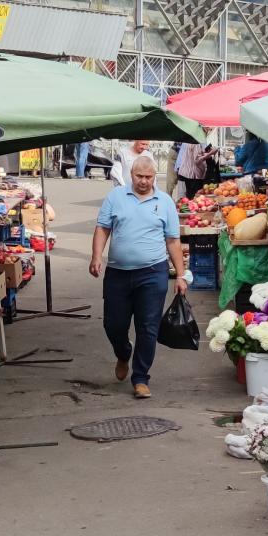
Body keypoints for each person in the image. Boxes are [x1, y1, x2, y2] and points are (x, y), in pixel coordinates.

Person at [90, 156, 187, 400]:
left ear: (155, 177)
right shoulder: (116, 197)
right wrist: (96, 256)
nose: (143, 181)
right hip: (117, 274)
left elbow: (173, 241)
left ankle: (141, 377)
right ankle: (123, 353)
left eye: (148, 177)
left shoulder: (164, 202)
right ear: (130, 174)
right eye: (138, 176)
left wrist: (181, 276)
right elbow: (103, 228)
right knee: (113, 325)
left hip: (153, 273)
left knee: (148, 327)